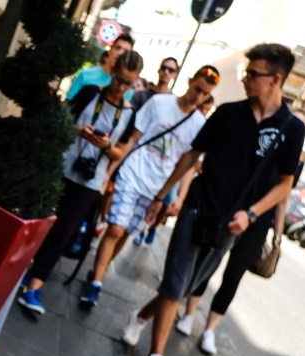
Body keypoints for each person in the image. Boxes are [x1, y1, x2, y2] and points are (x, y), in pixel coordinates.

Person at [121, 43, 305, 356]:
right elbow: (192, 157)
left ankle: (140, 316)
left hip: (232, 224)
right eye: (246, 72)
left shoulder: (291, 129)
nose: (246, 79)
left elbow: (284, 186)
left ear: (275, 79)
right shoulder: (227, 113)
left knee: (186, 286)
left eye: (253, 74)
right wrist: (163, 197)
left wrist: (251, 215)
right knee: (176, 283)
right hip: (197, 206)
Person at [78, 65, 219, 308]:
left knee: (127, 231)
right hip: (133, 172)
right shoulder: (160, 103)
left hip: (156, 186)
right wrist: (110, 173)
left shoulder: (199, 125)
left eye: (205, 94)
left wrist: (174, 196)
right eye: (197, 89)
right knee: (115, 229)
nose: (198, 96)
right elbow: (132, 139)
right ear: (189, 81)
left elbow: (187, 165)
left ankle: (96, 273)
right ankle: (96, 285)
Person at [17, 50, 143, 315]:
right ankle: (20, 270)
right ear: (112, 72)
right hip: (62, 167)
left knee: (63, 231)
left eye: (128, 83)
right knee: (40, 221)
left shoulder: (130, 114)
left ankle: (35, 284)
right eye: (119, 79)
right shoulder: (89, 93)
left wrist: (107, 146)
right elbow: (61, 121)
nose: (121, 87)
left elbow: (120, 152)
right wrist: (79, 131)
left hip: (91, 181)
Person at [175, 108, 305, 354]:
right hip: (231, 211)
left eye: (302, 127)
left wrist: (277, 235)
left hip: (257, 223)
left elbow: (283, 197)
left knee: (233, 276)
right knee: (206, 263)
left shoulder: (293, 162)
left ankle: (209, 330)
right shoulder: (260, 138)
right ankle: (188, 314)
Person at [134, 94, 215, 246]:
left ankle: (151, 227)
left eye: (207, 109)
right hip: (158, 169)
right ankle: (142, 229)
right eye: (202, 107)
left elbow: (192, 165)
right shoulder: (182, 117)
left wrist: (181, 196)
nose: (203, 111)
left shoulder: (201, 126)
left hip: (176, 176)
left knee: (166, 204)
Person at [66, 34, 135, 101]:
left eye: (125, 52)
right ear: (110, 50)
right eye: (117, 48)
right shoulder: (85, 75)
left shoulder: (127, 90)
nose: (120, 53)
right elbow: (68, 106)